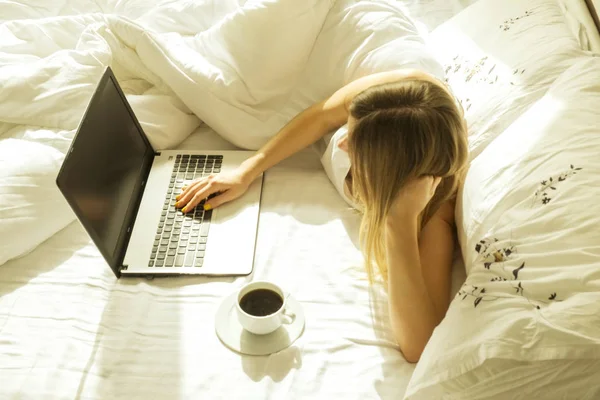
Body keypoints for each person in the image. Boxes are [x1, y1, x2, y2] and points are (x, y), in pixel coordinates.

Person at [175, 69, 468, 362]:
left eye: (354, 143)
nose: (340, 142)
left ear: (389, 174)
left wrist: (398, 220)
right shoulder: (393, 98)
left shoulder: (433, 212)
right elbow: (322, 117)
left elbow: (418, 346)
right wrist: (247, 171)